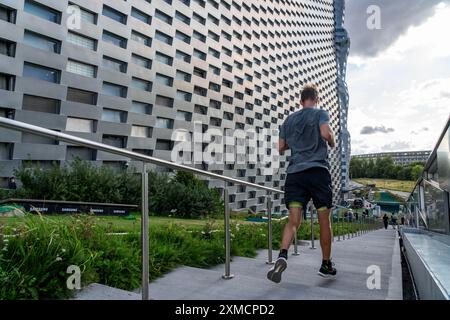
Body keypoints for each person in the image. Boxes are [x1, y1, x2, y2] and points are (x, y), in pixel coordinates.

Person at [267, 84, 337, 283]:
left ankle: (282, 254)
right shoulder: (320, 114)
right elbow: (325, 134)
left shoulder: (289, 120)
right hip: (317, 172)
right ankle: (326, 264)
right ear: (316, 99)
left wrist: (296, 142)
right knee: (324, 219)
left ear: (300, 100)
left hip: (295, 174)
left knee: (293, 220)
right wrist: (331, 141)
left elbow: (281, 147)